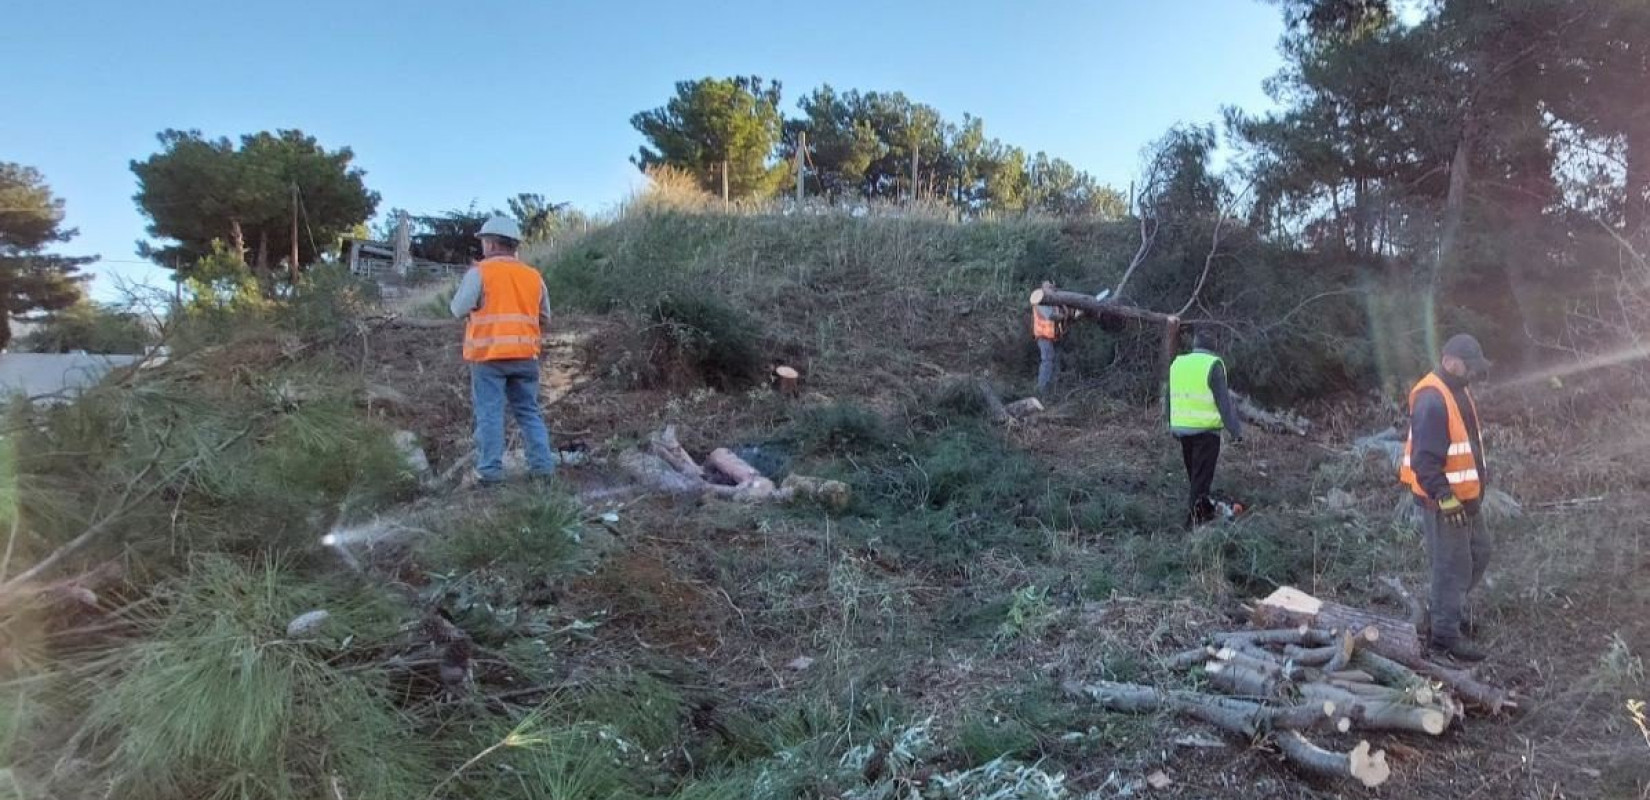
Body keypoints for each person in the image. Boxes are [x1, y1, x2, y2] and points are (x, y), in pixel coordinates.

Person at [1399, 334, 1493, 662]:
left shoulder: (1457, 389)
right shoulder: (1431, 397)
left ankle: (1444, 609)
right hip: (1445, 501)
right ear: (1450, 360)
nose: (1474, 374)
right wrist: (1445, 497)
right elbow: (1424, 460)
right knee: (1452, 567)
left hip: (1466, 497)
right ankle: (1443, 638)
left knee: (1479, 553)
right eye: (1470, 367)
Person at [449, 216, 556, 487]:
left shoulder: (480, 273)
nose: (483, 246)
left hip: (488, 358)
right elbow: (545, 316)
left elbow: (457, 309)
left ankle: (490, 474)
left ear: (493, 243)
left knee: (490, 415)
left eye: (484, 241)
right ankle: (543, 469)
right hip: (525, 357)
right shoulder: (533, 276)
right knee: (529, 413)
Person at [1166, 329, 1242, 527]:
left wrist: (1171, 424)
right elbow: (1224, 403)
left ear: (1195, 344)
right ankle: (1193, 525)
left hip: (1183, 429)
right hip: (1206, 433)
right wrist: (1235, 431)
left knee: (1196, 477)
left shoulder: (1178, 363)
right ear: (1213, 346)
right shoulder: (1213, 365)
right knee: (1201, 481)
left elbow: (1168, 397)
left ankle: (1205, 513)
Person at [1031, 281, 1076, 395]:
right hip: (1044, 337)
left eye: (1052, 287)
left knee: (1056, 361)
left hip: (1055, 337)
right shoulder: (1040, 300)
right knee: (1047, 361)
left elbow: (1064, 315)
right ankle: (1042, 391)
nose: (1051, 289)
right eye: (1048, 287)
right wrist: (1064, 316)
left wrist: (1071, 314)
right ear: (1042, 288)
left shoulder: (1055, 303)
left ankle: (1054, 390)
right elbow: (1051, 316)